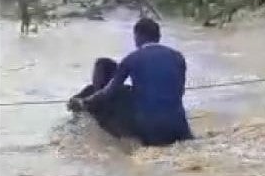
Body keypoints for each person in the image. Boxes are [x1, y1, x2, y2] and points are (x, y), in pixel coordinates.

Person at [81, 18, 193, 147]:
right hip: (180, 124)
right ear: (159, 36)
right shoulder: (178, 57)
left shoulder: (131, 59)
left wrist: (86, 101)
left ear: (138, 36)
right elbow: (180, 91)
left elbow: (108, 92)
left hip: (150, 128)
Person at [67, 57, 136, 139]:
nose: (97, 78)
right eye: (96, 74)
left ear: (112, 77)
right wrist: (74, 103)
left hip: (118, 132)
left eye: (101, 74)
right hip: (95, 130)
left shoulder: (125, 92)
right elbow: (72, 103)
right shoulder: (89, 90)